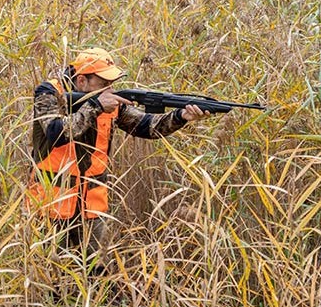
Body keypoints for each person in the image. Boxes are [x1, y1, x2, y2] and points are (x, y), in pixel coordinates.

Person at [29, 47, 211, 271]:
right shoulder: (49, 93)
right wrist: (95, 106)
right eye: (104, 83)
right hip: (51, 205)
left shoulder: (108, 102)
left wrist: (180, 116)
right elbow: (56, 132)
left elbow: (147, 127)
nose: (110, 89)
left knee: (97, 273)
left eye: (111, 83)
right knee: (51, 274)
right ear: (82, 80)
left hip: (92, 206)